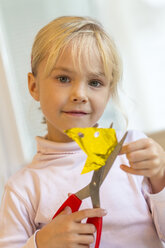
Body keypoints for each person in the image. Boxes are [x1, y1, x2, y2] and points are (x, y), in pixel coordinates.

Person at [0, 16, 165, 248]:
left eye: (95, 82)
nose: (80, 94)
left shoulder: (136, 151)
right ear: (34, 86)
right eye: (63, 78)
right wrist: (40, 244)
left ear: (109, 91)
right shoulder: (22, 188)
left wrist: (160, 179)